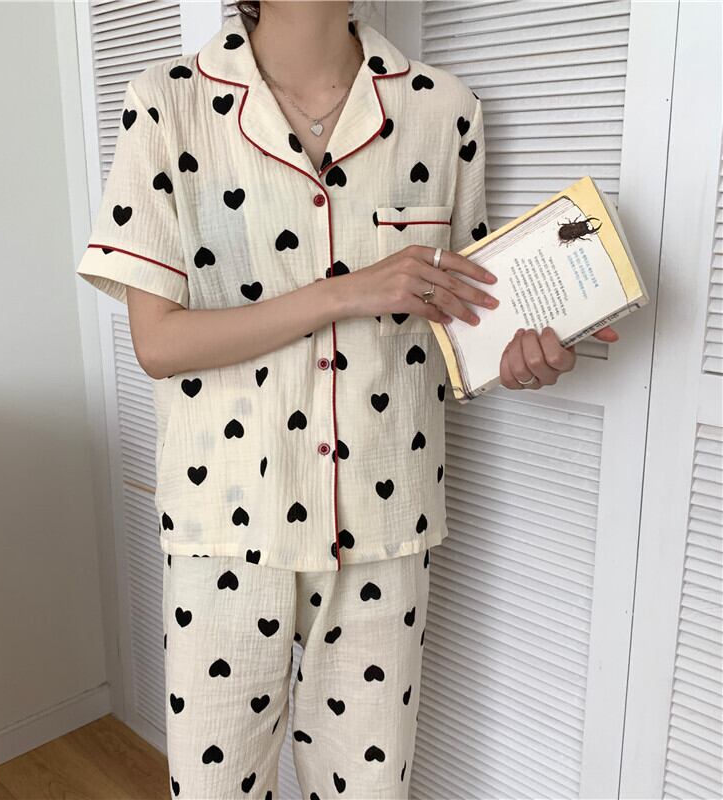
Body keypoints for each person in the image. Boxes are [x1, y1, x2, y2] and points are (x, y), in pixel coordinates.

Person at [75, 1, 618, 797]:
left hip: (384, 519)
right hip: (224, 520)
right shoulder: (169, 102)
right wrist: (346, 291)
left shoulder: (443, 110)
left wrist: (522, 357)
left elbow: (462, 323)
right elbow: (159, 343)